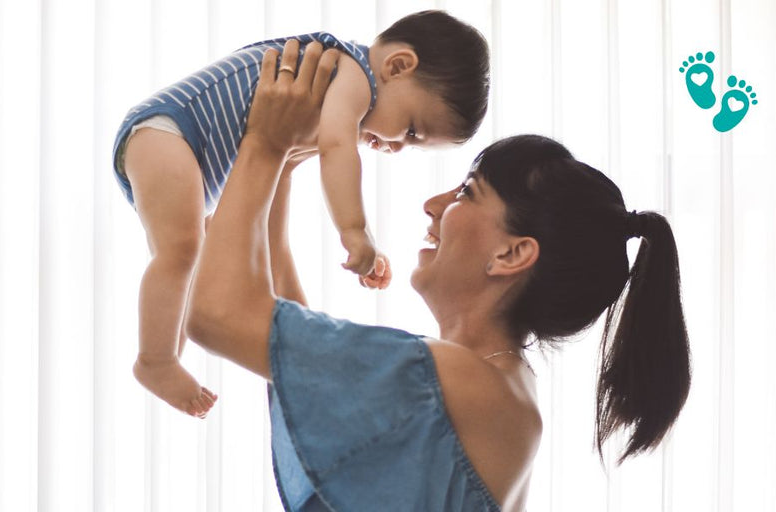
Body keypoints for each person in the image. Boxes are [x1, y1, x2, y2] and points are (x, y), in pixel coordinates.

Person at [186, 43, 692, 510]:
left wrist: (263, 144)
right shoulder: (492, 382)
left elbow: (216, 318)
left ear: (512, 253)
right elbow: (287, 342)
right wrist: (281, 169)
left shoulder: (467, 381)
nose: (434, 206)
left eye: (467, 193)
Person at [116, 10, 490, 417]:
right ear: (398, 66)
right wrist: (355, 231)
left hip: (185, 152)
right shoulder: (353, 74)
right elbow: (336, 149)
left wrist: (304, 329)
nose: (398, 146)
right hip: (169, 129)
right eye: (412, 130)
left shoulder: (321, 98)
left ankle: (163, 357)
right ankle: (156, 360)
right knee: (182, 251)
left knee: (191, 256)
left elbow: (273, 225)